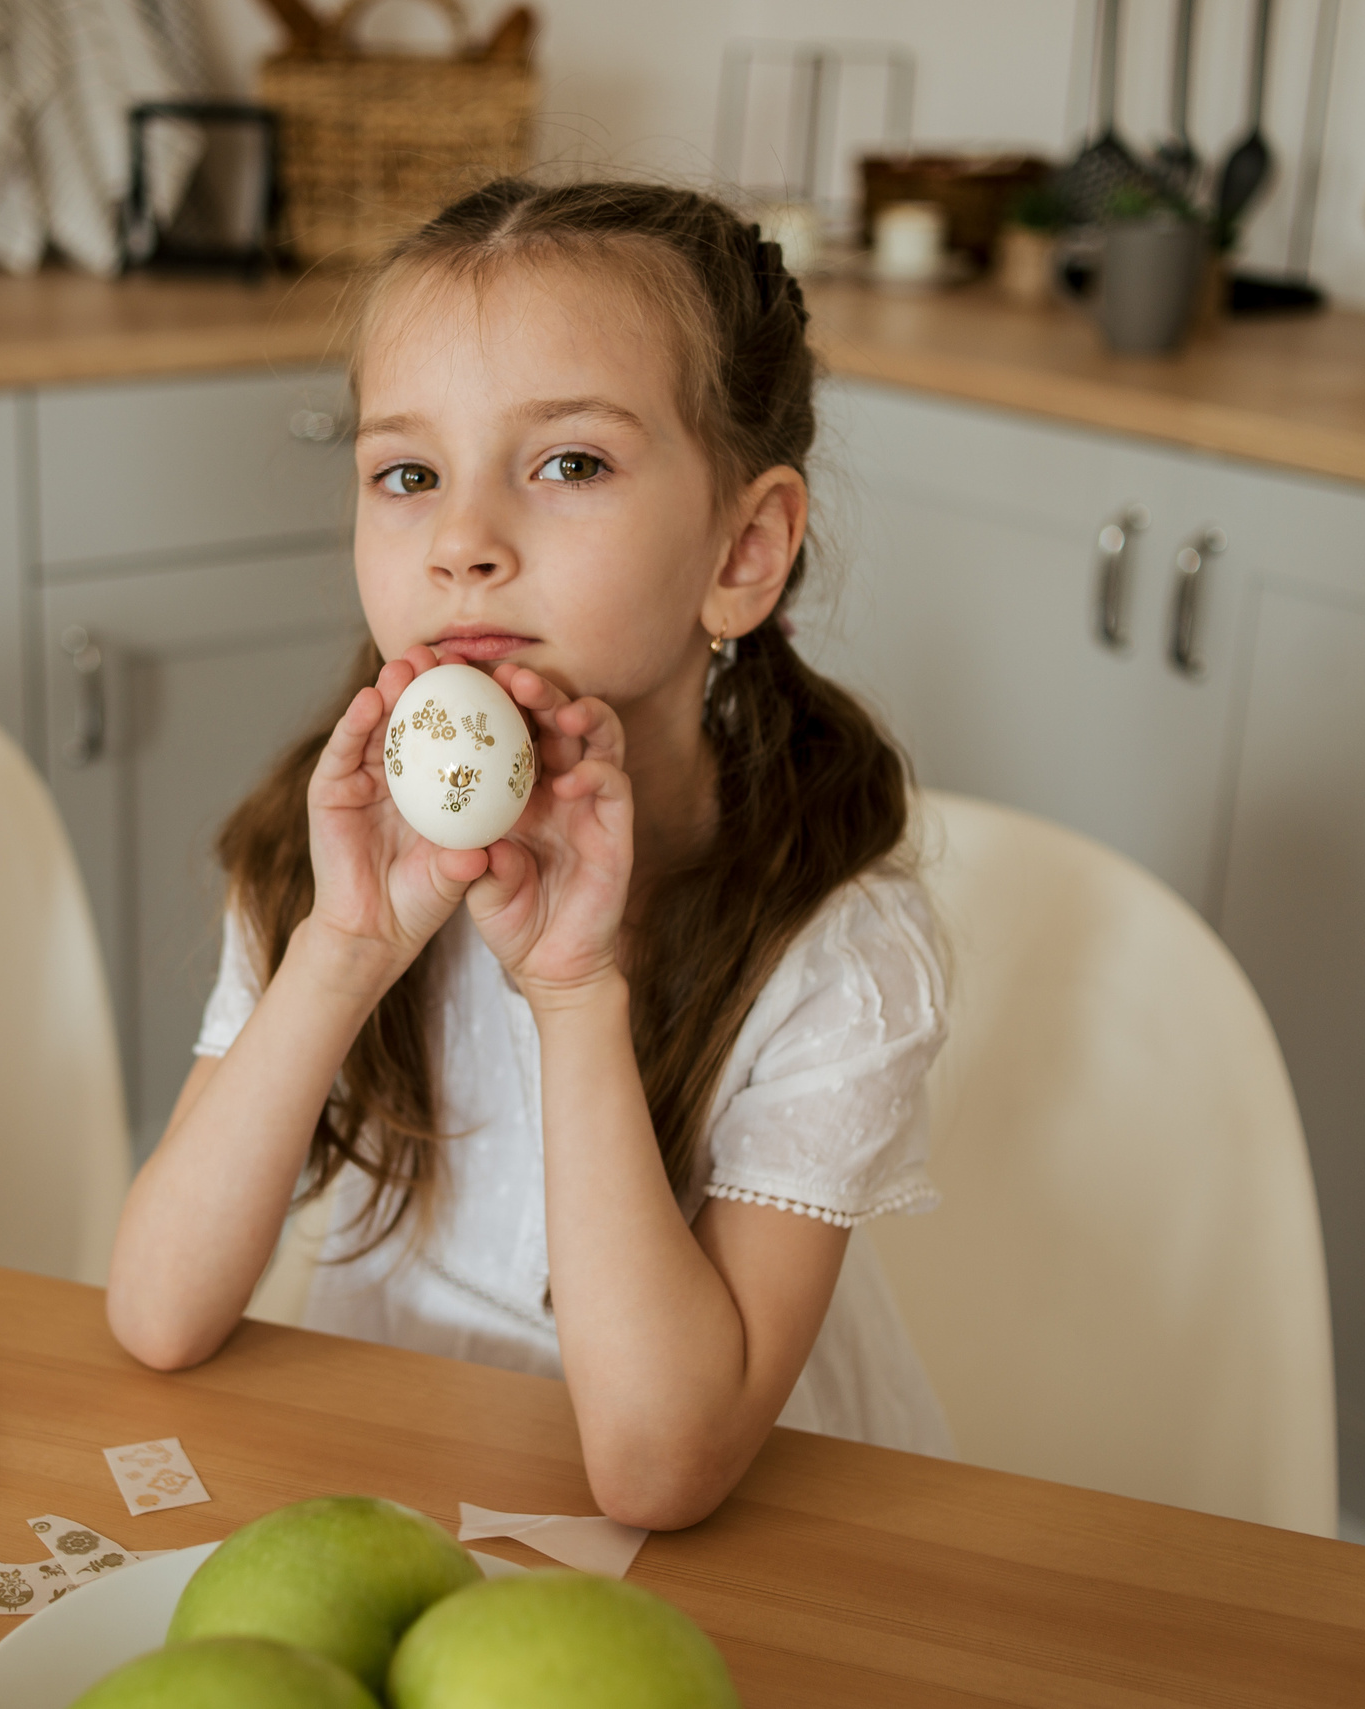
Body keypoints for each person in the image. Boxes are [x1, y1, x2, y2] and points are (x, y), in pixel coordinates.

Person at [106, 180, 954, 1529]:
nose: (461, 544)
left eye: (568, 464)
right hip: (410, 1467)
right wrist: (338, 959)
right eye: (408, 474)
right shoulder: (321, 858)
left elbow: (659, 1469)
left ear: (744, 550)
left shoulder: (834, 952)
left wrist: (576, 991)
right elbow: (157, 1311)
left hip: (752, 1534)